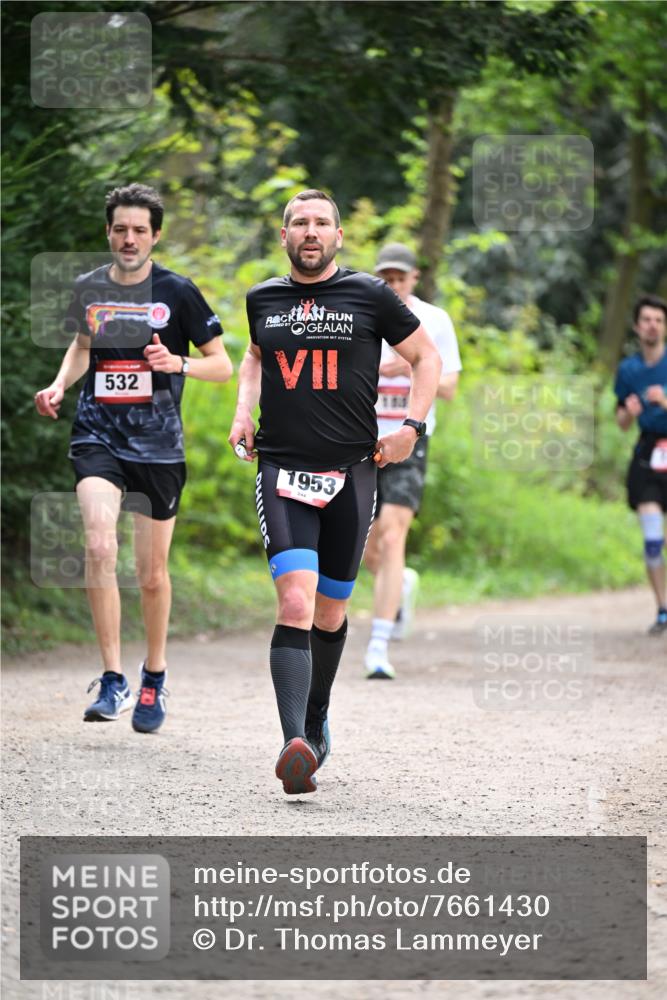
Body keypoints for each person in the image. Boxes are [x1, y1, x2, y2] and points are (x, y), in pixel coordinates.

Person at [229, 189, 442, 794]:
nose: (311, 231)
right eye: (299, 222)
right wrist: (244, 412)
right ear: (284, 236)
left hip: (355, 473)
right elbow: (253, 356)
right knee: (294, 603)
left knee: (330, 610)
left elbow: (425, 357)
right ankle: (293, 742)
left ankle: (317, 715)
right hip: (282, 469)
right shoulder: (263, 299)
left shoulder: (370, 296)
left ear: (339, 236)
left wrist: (410, 429)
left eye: (322, 222)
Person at [34, 183, 233, 731]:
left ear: (155, 235)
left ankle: (155, 676)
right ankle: (113, 677)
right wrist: (57, 386)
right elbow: (80, 348)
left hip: (159, 446)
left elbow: (223, 365)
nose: (128, 238)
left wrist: (178, 364)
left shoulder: (179, 291)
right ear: (108, 232)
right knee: (99, 544)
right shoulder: (88, 288)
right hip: (98, 435)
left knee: (150, 573)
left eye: (139, 230)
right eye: (120, 229)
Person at [363, 243, 462, 679]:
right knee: (363, 544)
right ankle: (400, 584)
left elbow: (450, 386)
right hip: (361, 439)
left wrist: (410, 368)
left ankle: (379, 646)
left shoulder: (434, 320)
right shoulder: (360, 314)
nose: (393, 285)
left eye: (400, 278)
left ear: (414, 277)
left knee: (392, 536)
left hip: (409, 437)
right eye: (386, 277)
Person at [614, 293, 667, 635]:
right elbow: (620, 419)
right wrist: (628, 414)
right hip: (649, 454)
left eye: (659, 320)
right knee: (652, 539)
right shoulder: (628, 370)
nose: (653, 325)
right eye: (647, 319)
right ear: (637, 326)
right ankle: (663, 609)